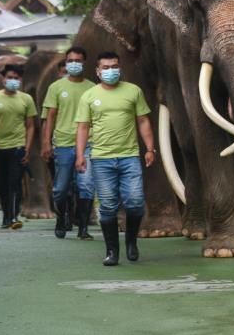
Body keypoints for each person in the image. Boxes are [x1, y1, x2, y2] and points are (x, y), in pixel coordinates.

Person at [75, 51, 156, 266]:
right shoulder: (89, 96)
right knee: (108, 206)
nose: (111, 71)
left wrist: (150, 149)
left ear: (120, 68)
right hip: (101, 158)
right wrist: (80, 155)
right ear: (98, 71)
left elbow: (143, 121)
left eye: (114, 67)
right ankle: (112, 251)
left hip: (129, 156)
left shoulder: (133, 91)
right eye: (106, 68)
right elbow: (83, 127)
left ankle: (131, 241)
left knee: (135, 202)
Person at [41, 46, 97, 240]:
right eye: (70, 61)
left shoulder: (92, 88)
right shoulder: (56, 87)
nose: (74, 64)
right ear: (66, 63)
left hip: (88, 143)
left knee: (86, 185)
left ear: (84, 63)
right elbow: (50, 116)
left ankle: (83, 228)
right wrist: (46, 143)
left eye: (78, 61)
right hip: (63, 143)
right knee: (60, 189)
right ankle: (61, 218)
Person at [0, 65, 36, 229]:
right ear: (3, 79)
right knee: (1, 184)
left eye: (16, 78)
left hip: (18, 147)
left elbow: (31, 126)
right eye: (10, 77)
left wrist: (27, 148)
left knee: (15, 182)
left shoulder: (26, 99)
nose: (13, 80)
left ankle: (13, 216)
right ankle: (6, 215)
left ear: (20, 80)